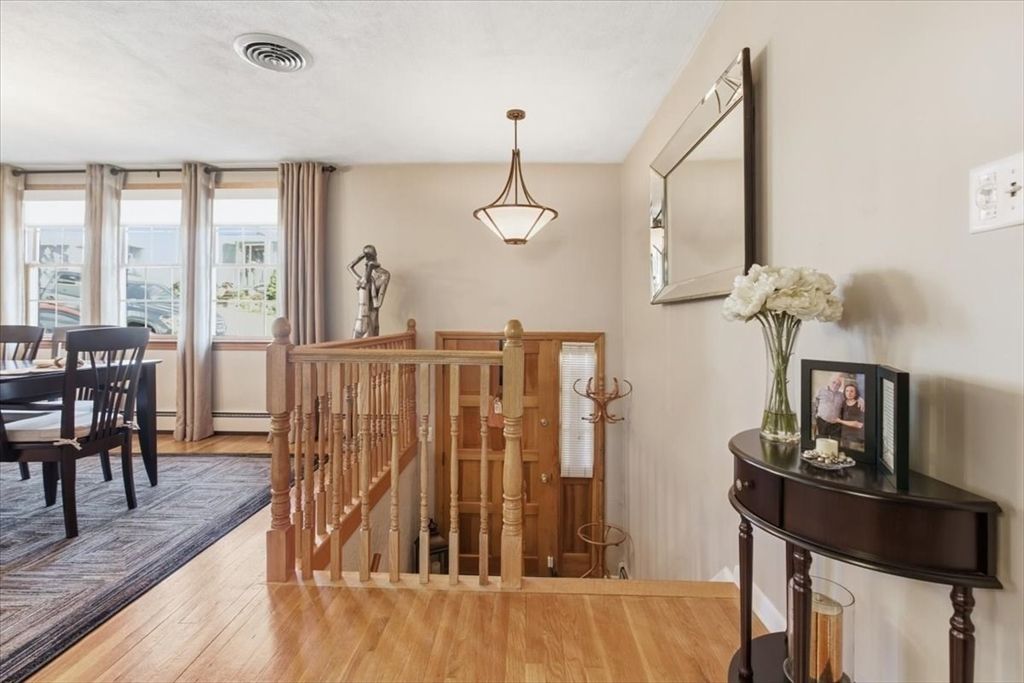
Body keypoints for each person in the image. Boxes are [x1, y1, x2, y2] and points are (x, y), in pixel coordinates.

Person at [348, 245, 390, 338]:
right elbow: (349, 267)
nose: (367, 258)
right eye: (366, 255)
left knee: (369, 348)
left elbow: (377, 304)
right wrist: (362, 256)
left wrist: (373, 288)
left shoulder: (384, 275)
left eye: (369, 255)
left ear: (375, 255)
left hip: (371, 319)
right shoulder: (364, 278)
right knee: (352, 349)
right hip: (360, 319)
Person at [812, 373, 846, 440]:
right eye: (834, 382)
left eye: (838, 384)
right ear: (829, 382)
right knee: (821, 442)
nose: (835, 385)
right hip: (822, 421)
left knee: (835, 443)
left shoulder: (842, 395)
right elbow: (814, 406)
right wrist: (814, 421)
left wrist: (860, 399)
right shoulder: (820, 391)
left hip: (836, 424)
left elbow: (852, 399)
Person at [837, 383, 865, 451]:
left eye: (852, 391)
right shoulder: (843, 403)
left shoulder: (860, 405)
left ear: (856, 393)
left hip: (855, 438)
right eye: (847, 391)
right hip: (844, 436)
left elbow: (859, 424)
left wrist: (840, 421)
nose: (849, 393)